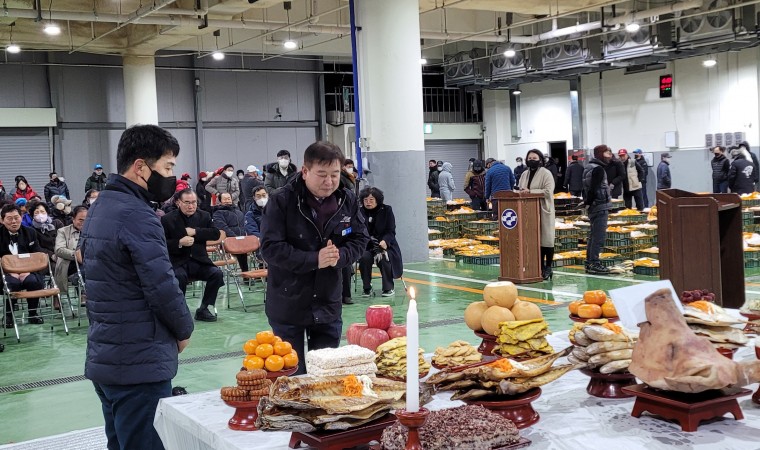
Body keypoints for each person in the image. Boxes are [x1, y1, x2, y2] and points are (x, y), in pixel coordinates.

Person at [80, 124, 194, 450]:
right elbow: (161, 285)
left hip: (108, 356)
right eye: (167, 168)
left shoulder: (101, 207)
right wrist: (183, 329)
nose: (171, 177)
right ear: (141, 167)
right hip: (139, 363)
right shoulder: (137, 214)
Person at [260, 141, 368, 375]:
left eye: (335, 174)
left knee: (326, 377)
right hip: (289, 302)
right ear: (305, 171)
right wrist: (314, 259)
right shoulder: (282, 201)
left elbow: (360, 238)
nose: (329, 182)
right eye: (322, 175)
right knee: (291, 378)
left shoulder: (347, 199)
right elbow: (270, 248)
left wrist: (340, 256)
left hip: (328, 302)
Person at [162, 189, 224, 322]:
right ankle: (180, 309)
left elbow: (215, 234)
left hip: (199, 261)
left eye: (194, 202)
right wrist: (179, 242)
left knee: (217, 274)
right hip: (178, 261)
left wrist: (196, 232)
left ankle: (204, 308)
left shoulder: (204, 216)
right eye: (187, 202)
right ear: (178, 202)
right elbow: (161, 243)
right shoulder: (167, 219)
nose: (191, 206)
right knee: (179, 277)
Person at [0, 204, 46, 327]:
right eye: (9, 218)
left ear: (21, 217)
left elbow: (37, 254)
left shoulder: (30, 232)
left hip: (28, 270)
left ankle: (33, 313)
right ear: (2, 220)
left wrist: (27, 270)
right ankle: (8, 315)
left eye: (16, 217)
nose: (14, 221)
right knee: (12, 283)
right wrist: (9, 271)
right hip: (5, 272)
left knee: (33, 281)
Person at [517, 149, 556, 281]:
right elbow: (520, 188)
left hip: (543, 209)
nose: (532, 160)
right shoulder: (524, 174)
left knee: (546, 239)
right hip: (528, 211)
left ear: (540, 160)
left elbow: (548, 191)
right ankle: (538, 266)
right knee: (533, 239)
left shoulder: (546, 173)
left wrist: (531, 191)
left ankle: (548, 266)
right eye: (530, 158)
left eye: (534, 158)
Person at [358, 187, 403, 297]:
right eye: (365, 200)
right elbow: (358, 230)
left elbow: (391, 231)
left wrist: (384, 241)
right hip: (367, 245)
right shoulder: (359, 212)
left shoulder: (387, 210)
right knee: (364, 258)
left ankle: (388, 287)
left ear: (377, 200)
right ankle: (367, 287)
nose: (368, 202)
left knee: (383, 257)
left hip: (385, 244)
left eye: (371, 200)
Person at [583, 145, 613, 275]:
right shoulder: (598, 169)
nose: (610, 155)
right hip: (600, 206)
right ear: (600, 154)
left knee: (593, 236)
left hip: (594, 207)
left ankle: (589, 262)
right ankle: (594, 263)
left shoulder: (589, 167)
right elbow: (594, 189)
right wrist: (589, 202)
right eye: (607, 152)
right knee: (598, 237)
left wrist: (588, 203)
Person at [54, 205, 87, 300]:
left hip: (88, 261)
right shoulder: (63, 231)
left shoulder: (94, 231)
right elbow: (59, 249)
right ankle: (83, 292)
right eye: (80, 220)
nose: (83, 223)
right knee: (86, 269)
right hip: (69, 264)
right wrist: (75, 254)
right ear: (73, 219)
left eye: (86, 220)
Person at [213, 192, 250, 272]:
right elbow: (223, 228)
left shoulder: (239, 212)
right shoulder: (218, 213)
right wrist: (235, 238)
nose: (227, 201)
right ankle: (246, 273)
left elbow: (245, 226)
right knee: (241, 250)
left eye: (228, 198)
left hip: (243, 240)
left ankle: (258, 271)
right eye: (225, 199)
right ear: (220, 201)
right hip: (229, 241)